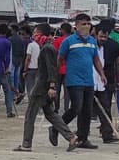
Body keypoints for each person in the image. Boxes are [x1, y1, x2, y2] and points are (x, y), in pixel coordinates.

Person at [15, 23, 78, 152]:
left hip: (41, 88)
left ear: (41, 34)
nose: (34, 35)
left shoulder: (47, 49)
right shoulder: (46, 47)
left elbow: (51, 68)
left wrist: (52, 86)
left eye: (36, 32)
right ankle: (71, 137)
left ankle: (26, 144)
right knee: (51, 114)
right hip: (45, 86)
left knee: (30, 116)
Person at [58, 14, 105, 149]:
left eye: (88, 24)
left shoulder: (92, 41)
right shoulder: (68, 41)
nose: (86, 26)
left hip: (88, 80)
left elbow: (96, 59)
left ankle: (83, 139)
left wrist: (102, 74)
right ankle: (58, 127)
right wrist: (56, 78)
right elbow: (60, 59)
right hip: (74, 80)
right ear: (76, 26)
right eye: (83, 24)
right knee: (76, 108)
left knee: (87, 111)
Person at [94, 24, 119, 144]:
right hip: (97, 79)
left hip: (106, 79)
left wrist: (118, 80)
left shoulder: (112, 45)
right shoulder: (92, 44)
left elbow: (118, 64)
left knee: (105, 107)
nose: (103, 39)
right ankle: (105, 132)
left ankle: (106, 132)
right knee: (104, 107)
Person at [10, 24, 30, 98]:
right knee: (16, 77)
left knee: (11, 77)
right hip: (19, 60)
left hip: (12, 60)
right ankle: (16, 93)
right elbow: (23, 52)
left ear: (13, 30)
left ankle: (12, 94)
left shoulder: (10, 39)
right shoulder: (22, 40)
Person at [22, 26, 40, 98]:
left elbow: (28, 58)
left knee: (30, 89)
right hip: (39, 70)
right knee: (37, 90)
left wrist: (25, 70)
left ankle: (31, 106)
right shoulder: (42, 45)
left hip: (31, 70)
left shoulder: (31, 45)